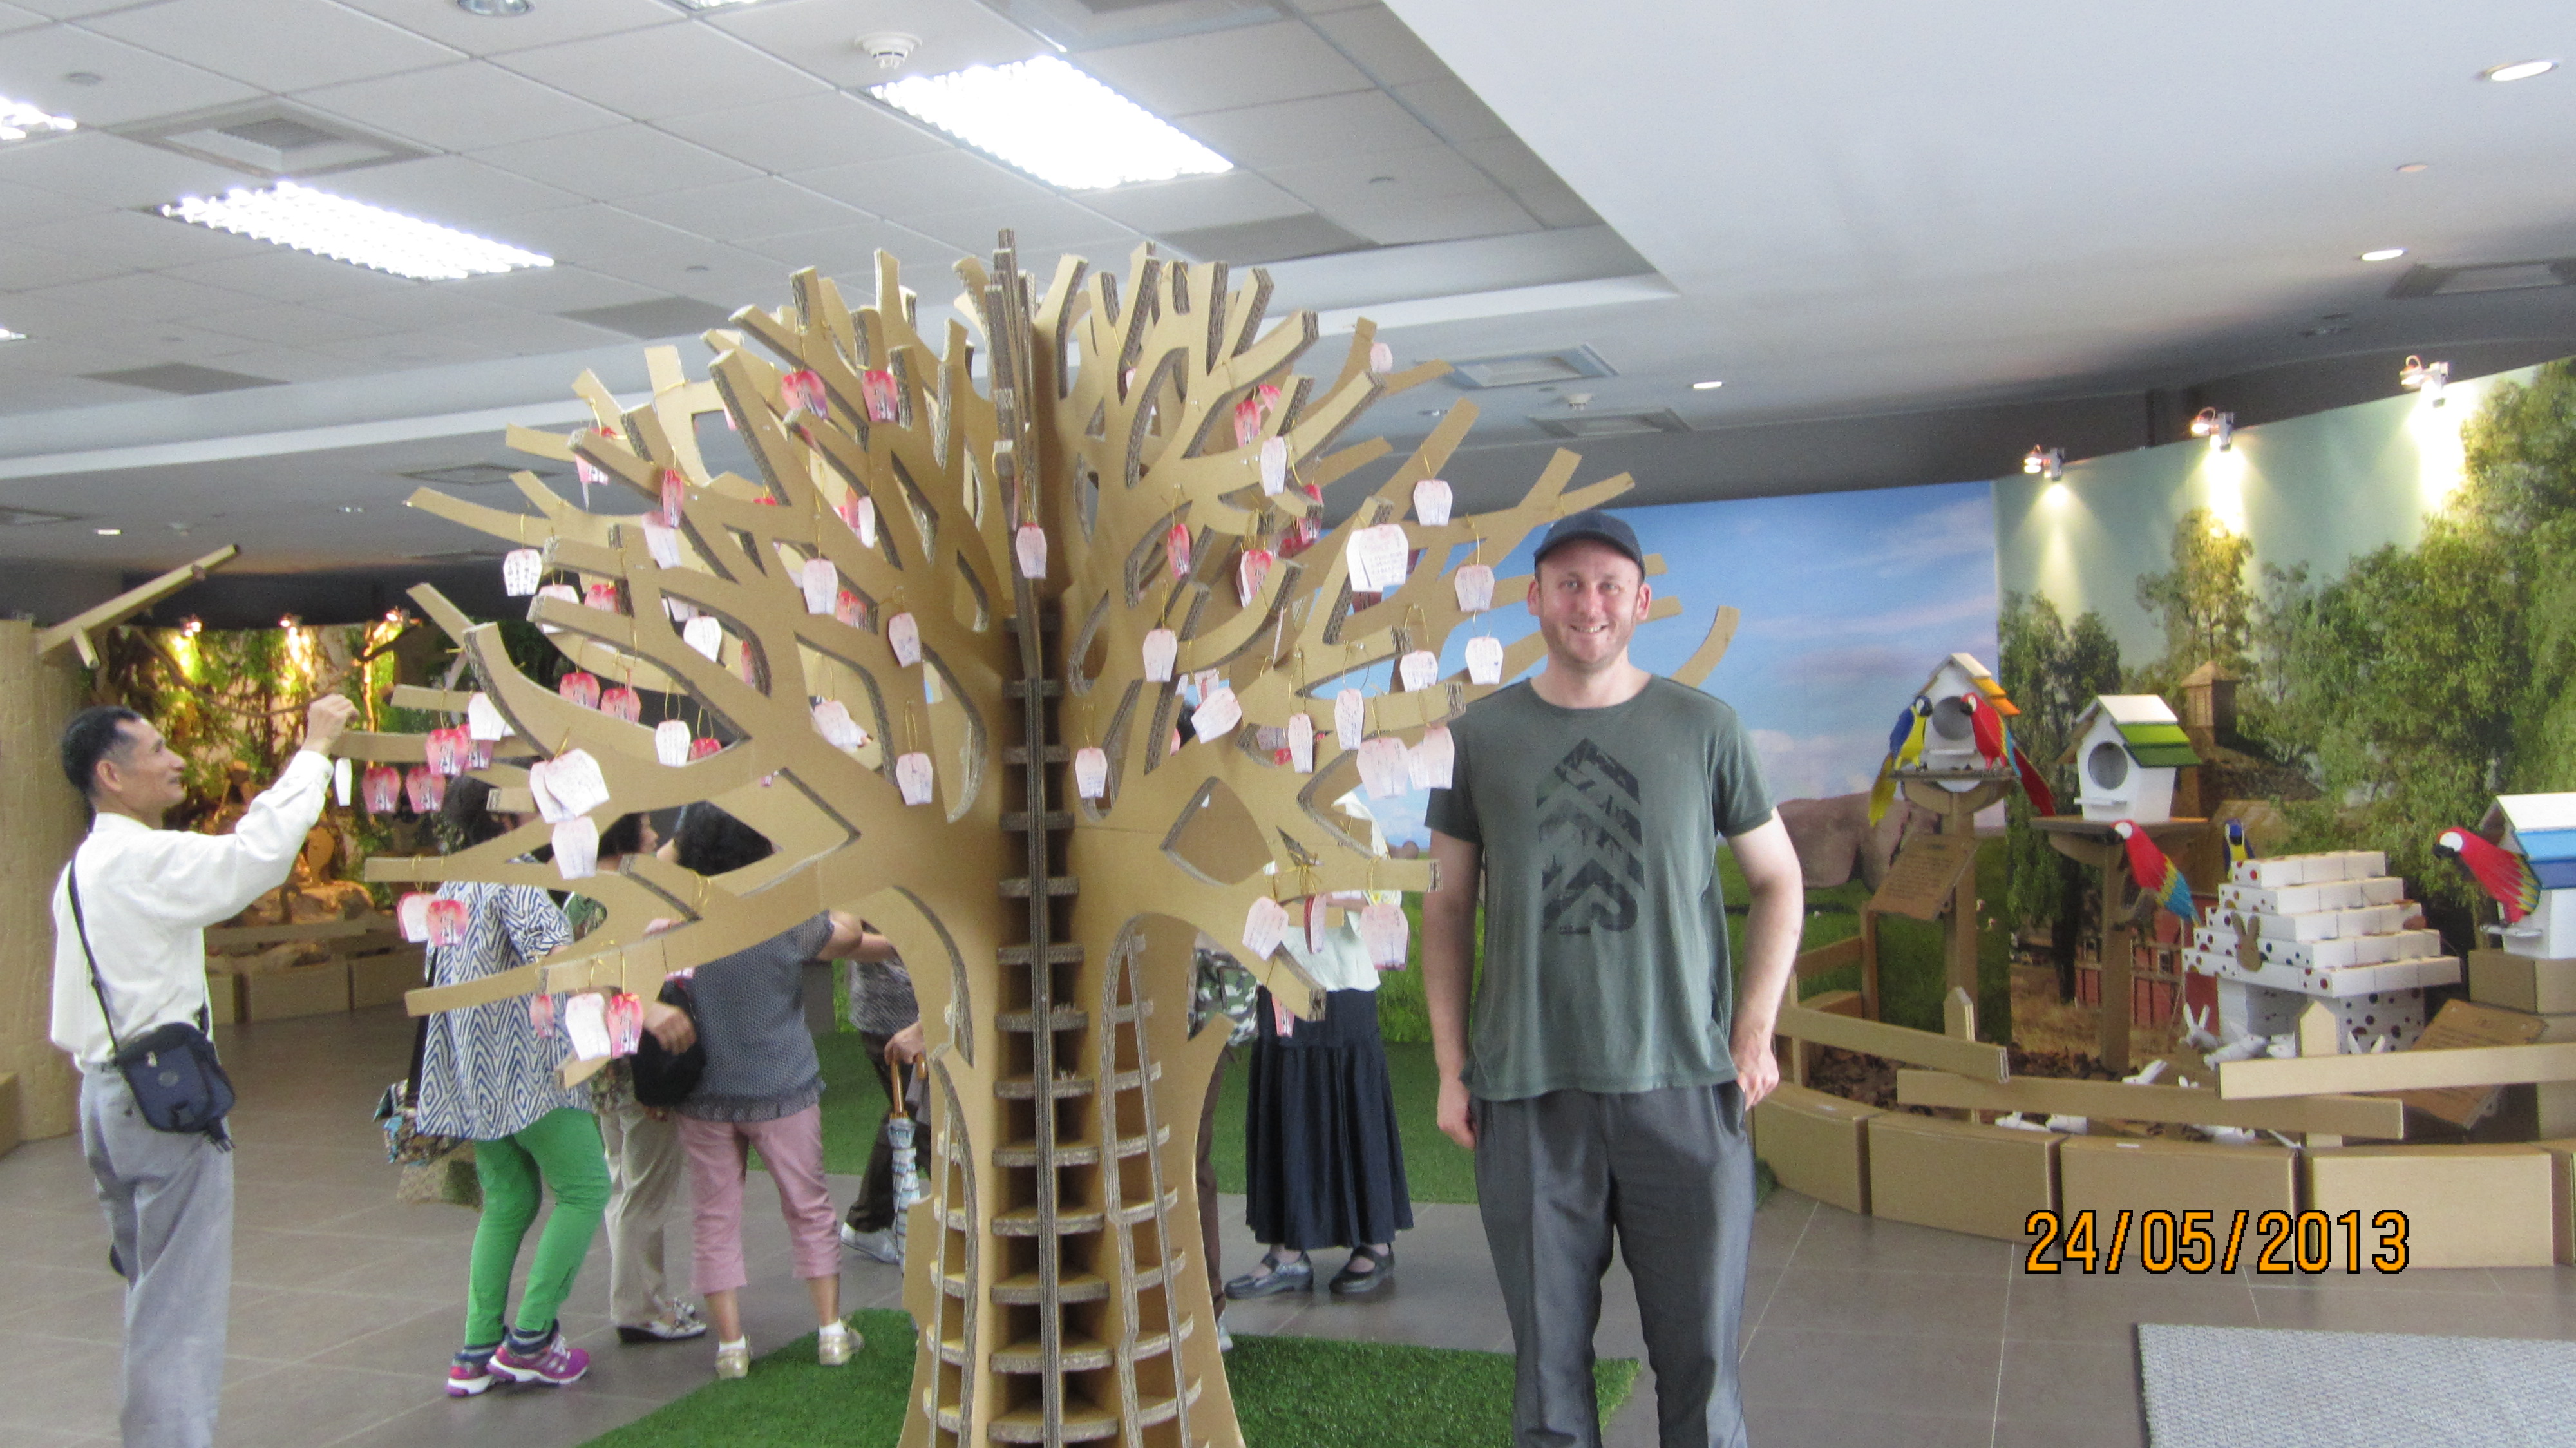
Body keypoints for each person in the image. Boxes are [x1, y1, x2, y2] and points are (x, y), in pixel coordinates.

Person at [1421, 507, 1804, 1448]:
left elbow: (1779, 880)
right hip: (1529, 1094)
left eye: (1607, 586)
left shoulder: (1704, 728)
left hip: (1684, 1087)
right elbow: (1445, 906)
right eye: (1568, 584)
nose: (1587, 604)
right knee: (1548, 1382)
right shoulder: (1477, 738)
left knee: (1702, 1373)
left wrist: (1754, 1031)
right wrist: (1448, 1066)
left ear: (1640, 601)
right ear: (1535, 599)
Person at [51, 695, 355, 1448]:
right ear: (111, 774)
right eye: (157, 748)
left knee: (153, 1286)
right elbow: (255, 857)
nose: (177, 760)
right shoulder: (140, 860)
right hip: (162, 1104)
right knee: (177, 1302)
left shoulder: (82, 869)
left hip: (107, 1097)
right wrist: (315, 750)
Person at [413, 779, 629, 1396]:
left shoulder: (455, 884)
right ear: (504, 815)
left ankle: (476, 1351)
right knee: (587, 1188)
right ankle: (531, 1340)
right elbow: (558, 960)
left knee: (507, 1202)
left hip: (472, 1077)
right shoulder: (516, 878)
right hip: (532, 1070)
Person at [670, 806, 898, 1378]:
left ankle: (731, 1347)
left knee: (714, 1218)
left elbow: (661, 864)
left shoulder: (677, 918)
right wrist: (831, 876)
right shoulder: (781, 916)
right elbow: (848, 934)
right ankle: (831, 1333)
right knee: (809, 1206)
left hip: (704, 1092)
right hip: (784, 1086)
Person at [1224, 794, 1412, 1301]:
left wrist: (1327, 893)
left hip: (1342, 982)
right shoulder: (1261, 802)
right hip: (1279, 974)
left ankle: (1375, 1242)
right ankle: (1287, 1253)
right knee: (1285, 1108)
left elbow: (1387, 893)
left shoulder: (1351, 812)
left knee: (1356, 1106)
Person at [569, 813, 707, 1346]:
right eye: (646, 826)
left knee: (621, 1180)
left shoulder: (580, 897)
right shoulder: (628, 901)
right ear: (624, 837)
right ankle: (640, 1307)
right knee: (647, 1188)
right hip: (639, 1065)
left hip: (600, 1064)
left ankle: (642, 1294)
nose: (654, 836)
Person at [837, 949, 925, 1266]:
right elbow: (843, 938)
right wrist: (900, 941)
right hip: (894, 1019)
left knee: (907, 1118)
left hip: (912, 1013)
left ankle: (868, 1220)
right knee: (924, 1123)